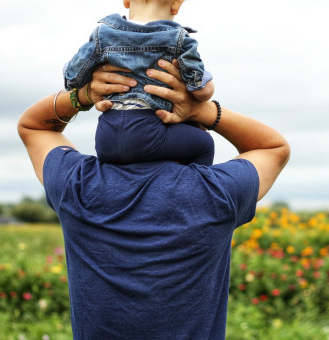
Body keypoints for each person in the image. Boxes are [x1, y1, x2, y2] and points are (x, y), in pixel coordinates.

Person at [17, 60, 290, 339]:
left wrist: (83, 95)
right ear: (192, 131)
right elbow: (273, 147)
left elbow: (35, 127)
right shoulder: (216, 193)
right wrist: (204, 110)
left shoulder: (78, 185)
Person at [63, 0, 215, 166]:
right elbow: (199, 89)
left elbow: (73, 78)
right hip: (150, 132)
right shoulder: (179, 39)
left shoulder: (103, 35)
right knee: (204, 143)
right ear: (176, 5)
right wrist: (206, 87)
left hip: (106, 137)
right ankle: (194, 191)